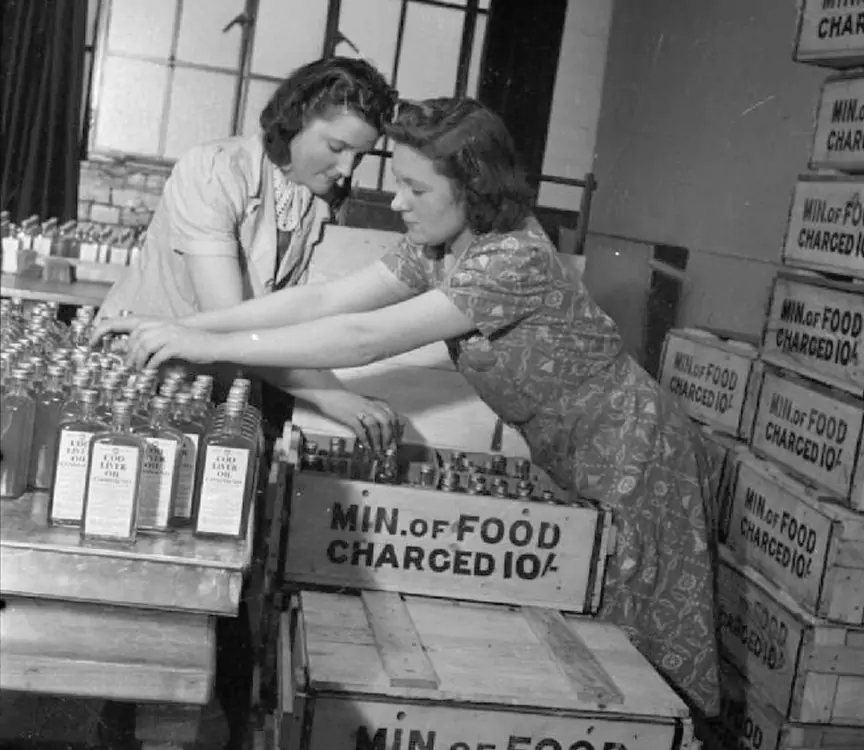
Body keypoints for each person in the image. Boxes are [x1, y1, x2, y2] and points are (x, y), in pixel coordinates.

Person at [93, 97, 722, 715]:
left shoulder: (513, 258)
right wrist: (189, 325)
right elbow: (325, 303)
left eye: (415, 189)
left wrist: (202, 343)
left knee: (630, 664)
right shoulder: (438, 249)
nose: (396, 202)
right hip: (572, 448)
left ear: (471, 187)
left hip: (633, 452)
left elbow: (364, 338)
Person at [96, 56, 402, 448]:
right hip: (143, 378)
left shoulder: (313, 199)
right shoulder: (215, 172)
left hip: (222, 382)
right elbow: (229, 320)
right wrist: (333, 396)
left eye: (359, 156)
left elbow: (300, 314)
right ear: (298, 117)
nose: (346, 168)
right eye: (337, 147)